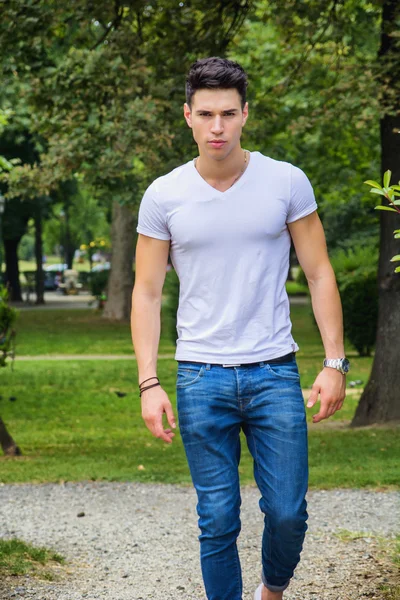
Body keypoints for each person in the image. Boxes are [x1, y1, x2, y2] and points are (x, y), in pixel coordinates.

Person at [131, 57, 349, 600]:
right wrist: (148, 382)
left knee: (287, 513)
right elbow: (147, 292)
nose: (217, 127)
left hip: (274, 370)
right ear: (187, 116)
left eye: (229, 113)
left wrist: (334, 362)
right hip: (200, 375)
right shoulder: (164, 195)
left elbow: (320, 273)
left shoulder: (286, 181)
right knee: (218, 517)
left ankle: (272, 590)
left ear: (246, 113)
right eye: (206, 114)